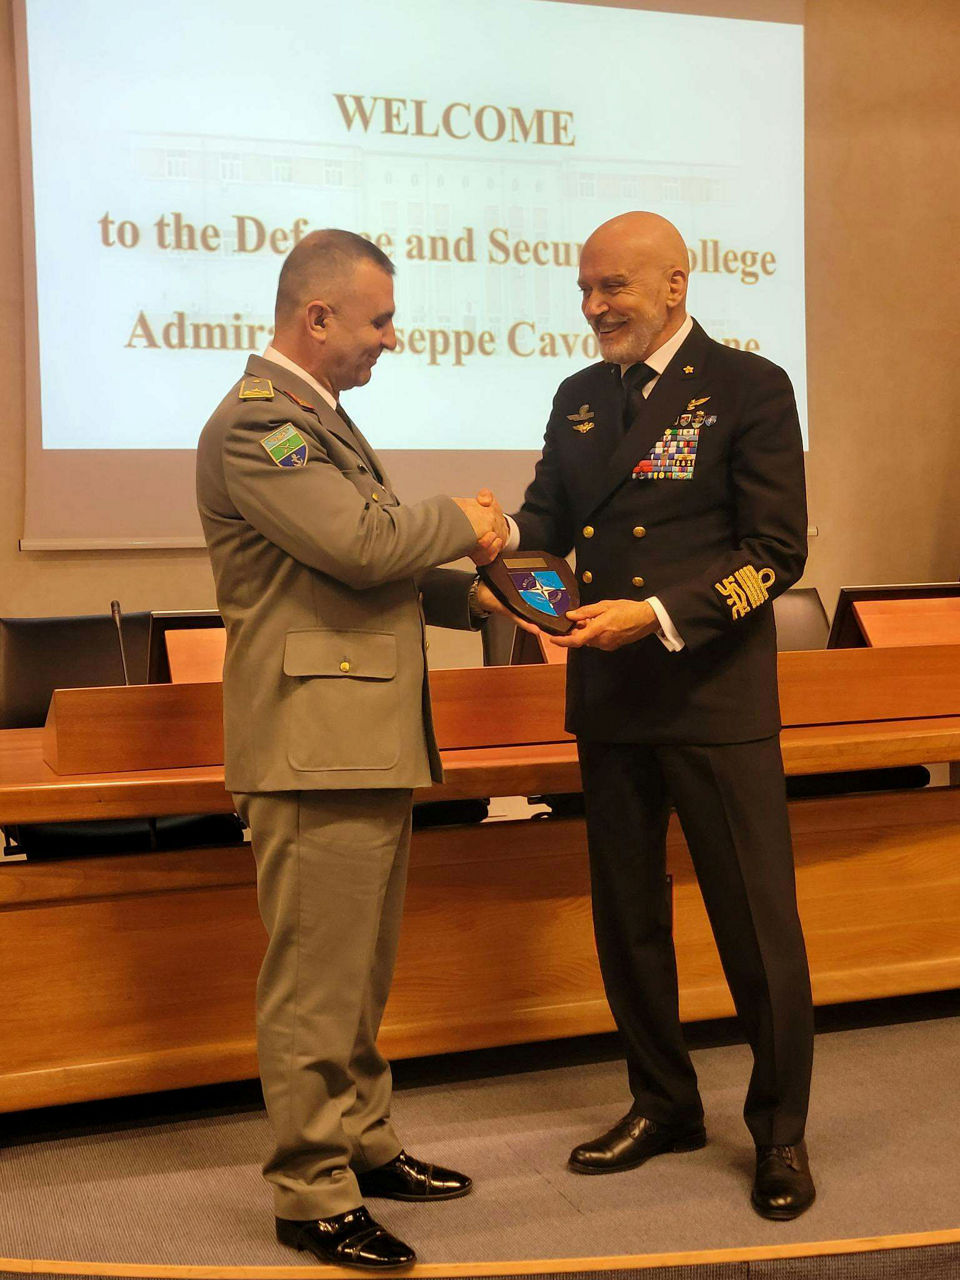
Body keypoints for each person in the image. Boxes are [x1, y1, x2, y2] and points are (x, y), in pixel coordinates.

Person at [477, 211, 815, 1220]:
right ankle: (663, 1101)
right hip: (612, 700)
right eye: (585, 288)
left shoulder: (749, 388)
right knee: (630, 925)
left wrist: (662, 615)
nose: (594, 306)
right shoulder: (580, 397)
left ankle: (781, 1134)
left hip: (713, 698)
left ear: (675, 284)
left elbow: (777, 554)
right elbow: (544, 521)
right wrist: (502, 548)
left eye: (614, 286)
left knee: (756, 930)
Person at [197, 229, 508, 1269]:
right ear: (315, 316)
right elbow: (364, 543)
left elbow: (378, 575)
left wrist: (491, 590)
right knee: (315, 981)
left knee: (360, 974)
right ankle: (309, 1188)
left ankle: (364, 1144)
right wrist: (466, 519)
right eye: (377, 318)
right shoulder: (260, 427)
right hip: (311, 743)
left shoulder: (324, 422)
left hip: (360, 736)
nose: (391, 336)